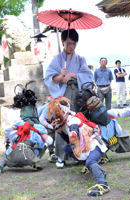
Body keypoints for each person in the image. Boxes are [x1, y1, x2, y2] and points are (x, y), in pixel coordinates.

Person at [45, 29, 93, 163]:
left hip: (78, 94)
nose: (71, 46)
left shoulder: (80, 59)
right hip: (64, 95)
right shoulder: (58, 59)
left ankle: (81, 153)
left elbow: (89, 76)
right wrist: (61, 76)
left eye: (74, 44)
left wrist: (71, 75)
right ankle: (62, 156)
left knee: (79, 121)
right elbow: (50, 79)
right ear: (63, 42)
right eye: (69, 43)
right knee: (62, 121)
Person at [45, 96, 110, 197]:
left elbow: (74, 128)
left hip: (94, 145)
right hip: (86, 146)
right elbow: (72, 142)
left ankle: (103, 183)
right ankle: (94, 169)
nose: (55, 117)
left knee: (90, 162)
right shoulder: (67, 121)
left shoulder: (72, 120)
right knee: (67, 149)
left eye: (57, 113)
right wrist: (61, 132)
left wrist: (74, 132)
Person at [0, 86, 53, 174]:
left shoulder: (18, 123)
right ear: (35, 113)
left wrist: (6, 139)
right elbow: (50, 141)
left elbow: (6, 130)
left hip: (13, 156)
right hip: (29, 156)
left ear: (22, 113)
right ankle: (34, 162)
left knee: (5, 155)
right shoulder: (38, 127)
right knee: (43, 146)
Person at [38, 96, 58, 162]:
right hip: (44, 123)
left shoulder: (57, 108)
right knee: (50, 135)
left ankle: (60, 152)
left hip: (55, 121)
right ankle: (51, 153)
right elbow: (42, 120)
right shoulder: (43, 111)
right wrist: (49, 125)